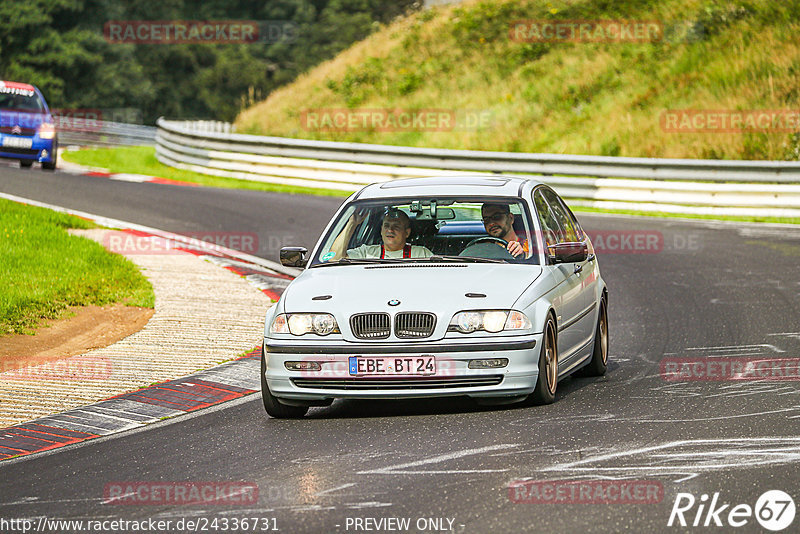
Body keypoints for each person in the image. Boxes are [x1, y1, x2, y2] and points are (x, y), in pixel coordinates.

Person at [327, 208, 432, 260]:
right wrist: (352, 223)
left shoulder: (421, 254)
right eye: (386, 226)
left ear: (407, 232)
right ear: (381, 230)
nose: (390, 230)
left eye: (396, 226)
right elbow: (334, 259)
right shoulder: (366, 252)